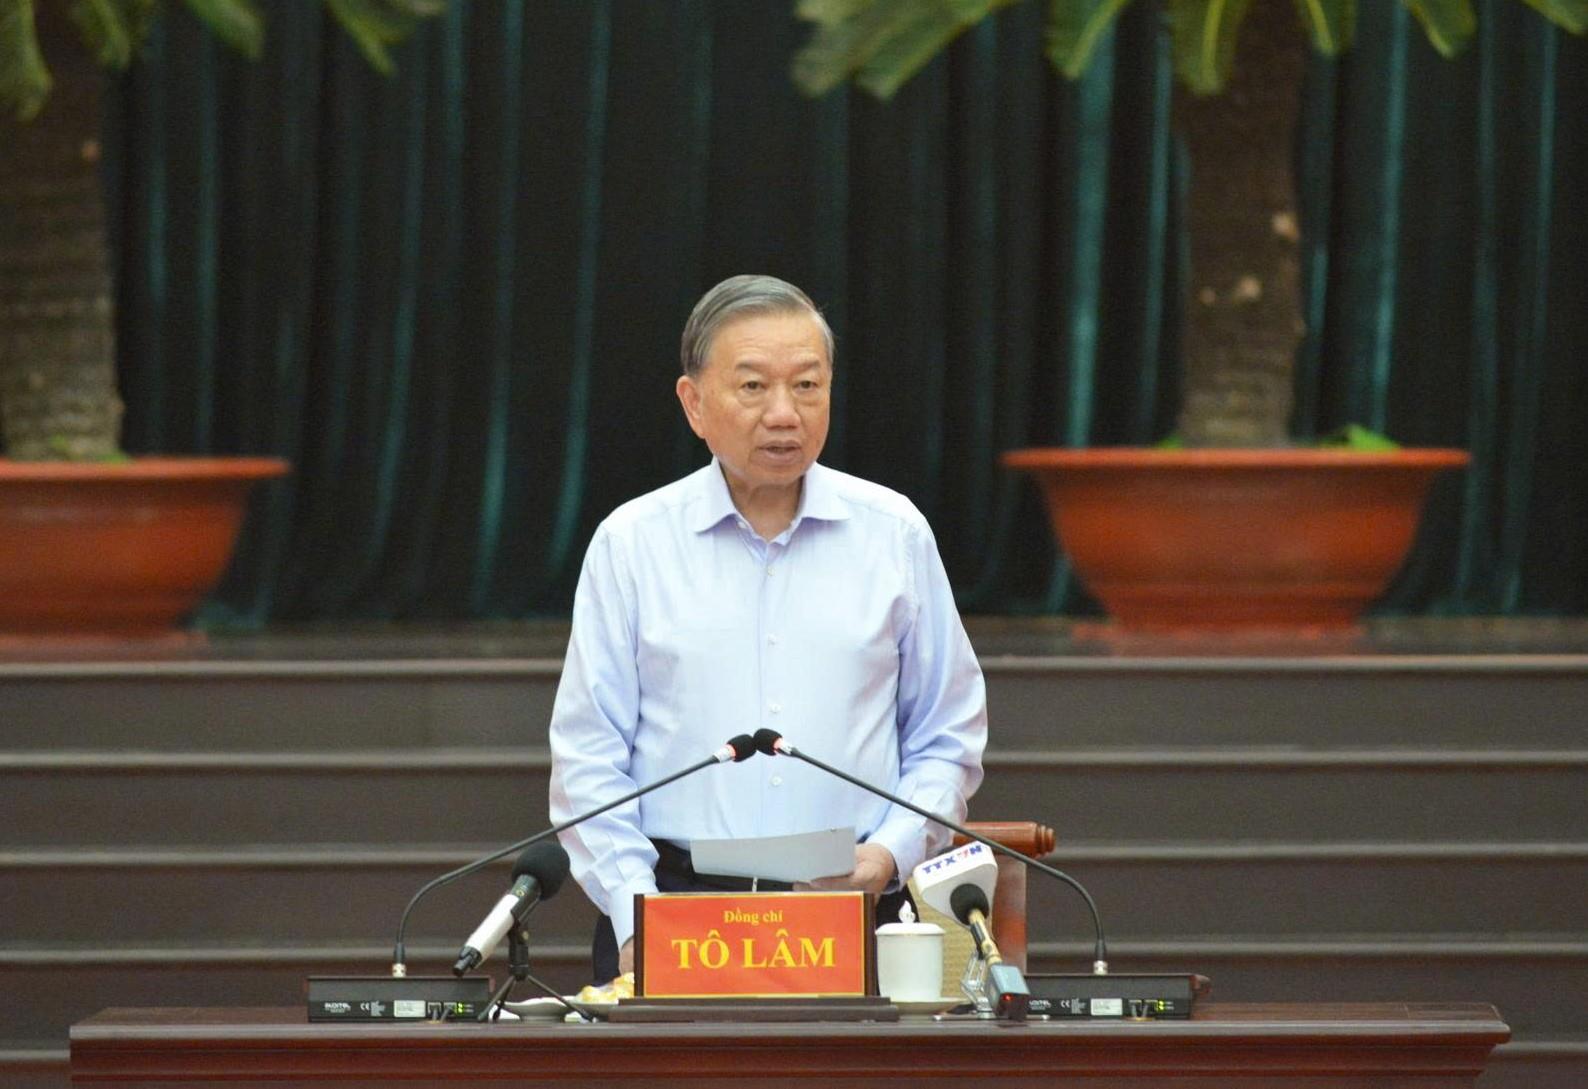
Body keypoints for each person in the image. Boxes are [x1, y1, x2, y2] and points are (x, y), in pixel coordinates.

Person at [548, 274, 987, 982]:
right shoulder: (632, 543)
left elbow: (948, 731)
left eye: (808, 386)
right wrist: (639, 916)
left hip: (855, 903)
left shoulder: (894, 533)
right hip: (678, 908)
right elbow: (588, 759)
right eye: (753, 387)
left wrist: (892, 853)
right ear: (694, 403)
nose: (784, 413)